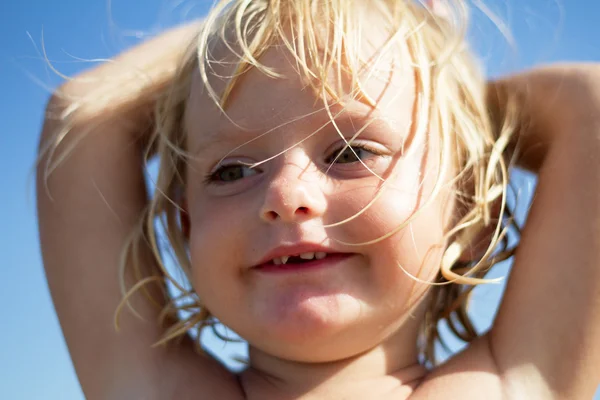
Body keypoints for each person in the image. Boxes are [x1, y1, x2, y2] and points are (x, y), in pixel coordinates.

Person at [36, 0, 600, 399]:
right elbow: (84, 116)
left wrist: (426, 55)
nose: (285, 195)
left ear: (468, 208)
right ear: (186, 224)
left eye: (352, 151)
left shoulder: (504, 388)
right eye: (231, 170)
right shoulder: (161, 391)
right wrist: (255, 20)